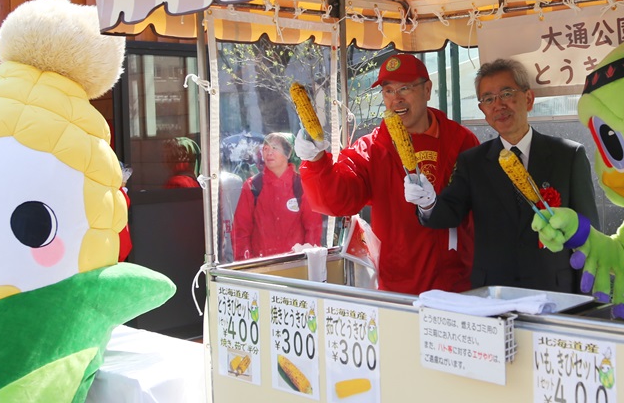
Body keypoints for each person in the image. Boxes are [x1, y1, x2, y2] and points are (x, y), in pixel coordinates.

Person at [407, 58, 600, 294]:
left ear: (528, 99)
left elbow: (589, 232)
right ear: (483, 110)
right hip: (493, 291)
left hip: (554, 289)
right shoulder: (472, 162)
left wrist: (589, 298)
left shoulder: (568, 155)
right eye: (488, 99)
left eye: (506, 93)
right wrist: (426, 202)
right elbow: (448, 214)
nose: (498, 105)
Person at [296, 54, 477, 295]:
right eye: (388, 91)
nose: (396, 99)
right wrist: (315, 160)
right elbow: (337, 200)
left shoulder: (461, 140)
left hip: (460, 284)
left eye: (405, 88)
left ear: (427, 90)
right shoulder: (372, 149)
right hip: (400, 288)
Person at [232, 133, 322, 260]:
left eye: (275, 148)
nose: (269, 153)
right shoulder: (253, 186)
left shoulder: (301, 186)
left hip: (295, 265)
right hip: (262, 268)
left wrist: (310, 260)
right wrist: (247, 265)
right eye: (266, 148)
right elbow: (240, 230)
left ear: (288, 153)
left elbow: (313, 228)